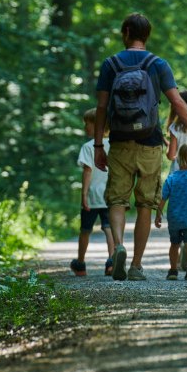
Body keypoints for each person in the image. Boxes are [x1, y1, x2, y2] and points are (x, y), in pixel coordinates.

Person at [93, 13, 187, 282]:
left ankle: (118, 244)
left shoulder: (110, 64)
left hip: (119, 141)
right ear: (147, 35)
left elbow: (100, 108)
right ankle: (135, 265)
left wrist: (99, 144)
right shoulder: (158, 64)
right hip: (151, 143)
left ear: (126, 31)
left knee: (118, 199)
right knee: (146, 203)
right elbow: (178, 103)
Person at [71, 108, 115, 277]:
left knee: (85, 229)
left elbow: (87, 171)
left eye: (87, 124)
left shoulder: (88, 147)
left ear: (97, 125)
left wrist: (84, 195)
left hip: (92, 196)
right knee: (108, 227)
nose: (85, 128)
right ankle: (111, 261)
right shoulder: (114, 144)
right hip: (110, 195)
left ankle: (80, 264)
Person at [155, 144, 187, 281]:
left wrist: (158, 213)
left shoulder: (172, 178)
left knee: (174, 244)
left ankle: (173, 270)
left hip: (174, 219)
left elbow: (163, 198)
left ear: (177, 159)